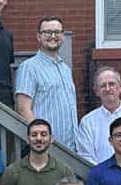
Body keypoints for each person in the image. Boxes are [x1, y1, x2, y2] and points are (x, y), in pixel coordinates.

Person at [14, 17, 78, 150]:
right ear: (38, 36)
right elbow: (23, 108)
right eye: (47, 32)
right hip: (46, 149)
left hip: (70, 149)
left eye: (57, 32)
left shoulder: (66, 69)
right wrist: (41, 139)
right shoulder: (29, 67)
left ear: (63, 36)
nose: (53, 36)